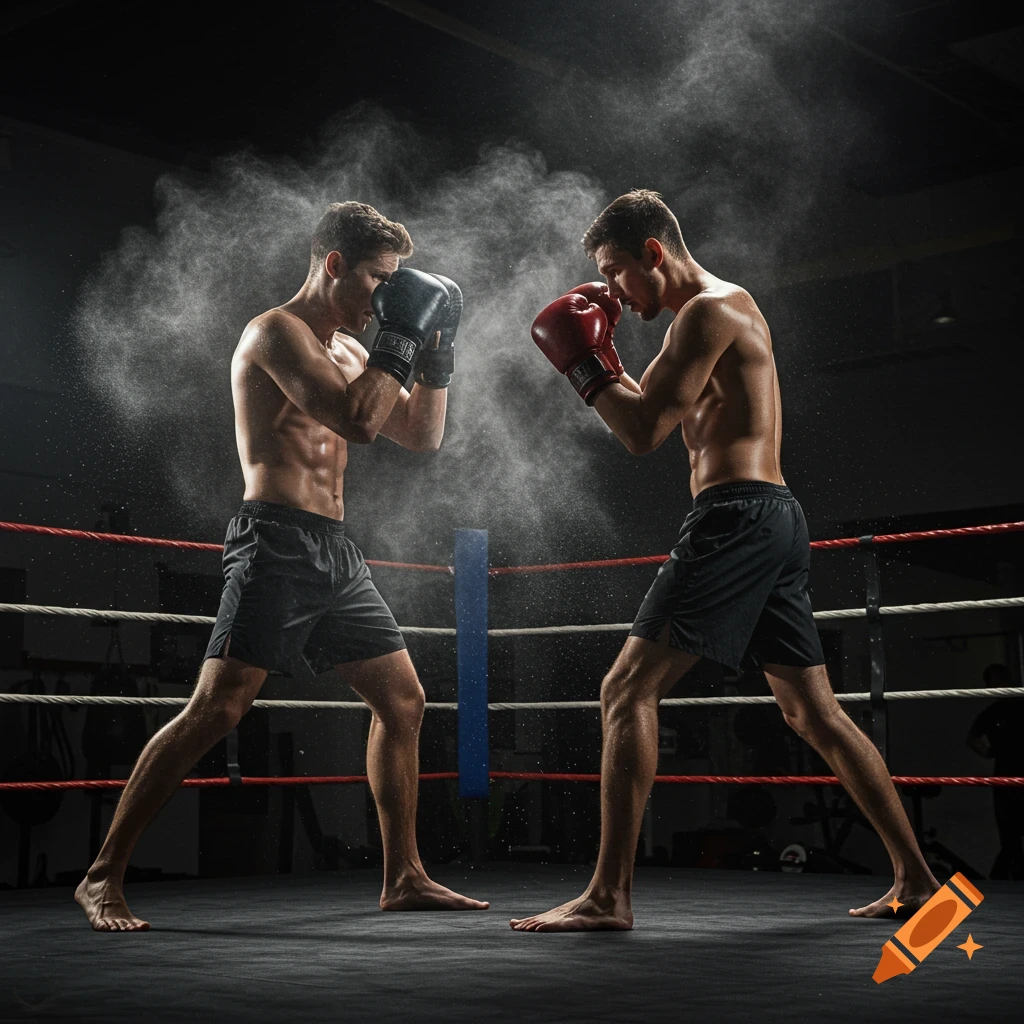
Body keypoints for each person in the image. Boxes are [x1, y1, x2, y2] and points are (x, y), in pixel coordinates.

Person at [514, 189, 939, 931]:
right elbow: (655, 406)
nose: (612, 292)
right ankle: (917, 879)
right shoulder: (719, 310)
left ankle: (608, 897)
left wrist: (582, 363)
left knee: (623, 693)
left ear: (653, 252)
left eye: (615, 272)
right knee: (814, 712)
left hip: (735, 517)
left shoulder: (708, 310)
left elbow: (642, 431)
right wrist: (605, 360)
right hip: (772, 515)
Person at [77, 201, 488, 930]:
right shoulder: (276, 333)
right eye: (376, 280)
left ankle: (403, 876)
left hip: (335, 551)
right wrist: (402, 332)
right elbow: (359, 424)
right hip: (274, 542)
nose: (387, 298)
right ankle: (102, 875)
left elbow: (421, 436)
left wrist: (438, 345)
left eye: (397, 285)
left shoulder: (357, 351)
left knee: (404, 702)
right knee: (218, 710)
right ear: (334, 265)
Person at [967, 663, 1024, 879]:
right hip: (1004, 776)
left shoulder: (1018, 703)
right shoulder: (992, 713)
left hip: (1012, 774)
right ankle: (1002, 881)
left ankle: (999, 880)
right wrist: (989, 752)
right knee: (1009, 834)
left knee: (1011, 834)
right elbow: (971, 739)